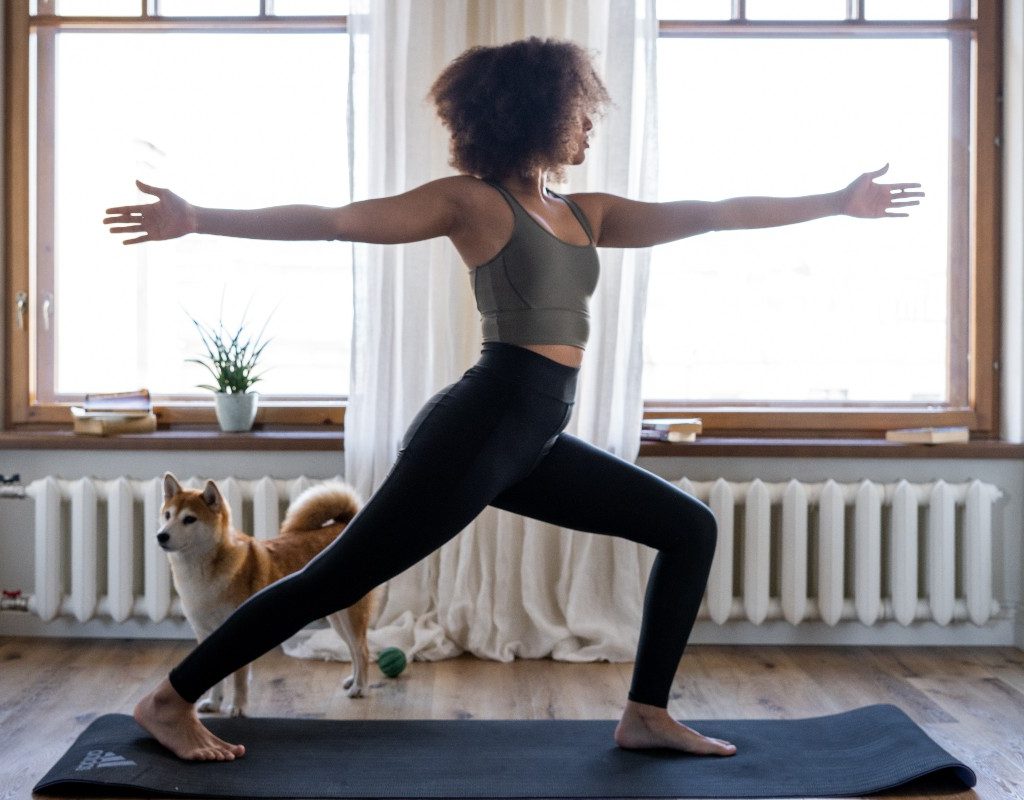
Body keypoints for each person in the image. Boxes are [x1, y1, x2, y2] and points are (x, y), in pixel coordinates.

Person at [104, 37, 921, 763]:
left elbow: (712, 214)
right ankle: (169, 701)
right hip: (481, 424)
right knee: (334, 577)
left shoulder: (581, 212)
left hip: (532, 434)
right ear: (539, 113)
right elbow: (336, 221)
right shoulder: (472, 202)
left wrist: (835, 202)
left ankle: (645, 713)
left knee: (687, 527)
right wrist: (199, 216)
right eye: (580, 111)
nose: (590, 127)